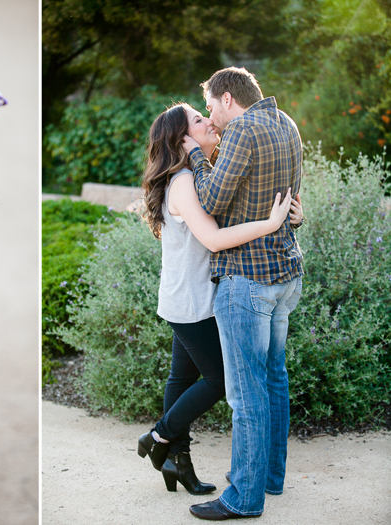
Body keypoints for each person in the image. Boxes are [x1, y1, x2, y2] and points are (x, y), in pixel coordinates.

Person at [136, 102, 303, 497]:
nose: (209, 121)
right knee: (222, 379)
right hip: (190, 301)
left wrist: (291, 216)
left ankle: (178, 462)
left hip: (196, 296)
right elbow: (212, 239)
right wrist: (270, 224)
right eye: (198, 119)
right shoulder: (182, 183)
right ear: (183, 140)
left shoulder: (203, 175)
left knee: (182, 378)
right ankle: (158, 437)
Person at [181, 67, 304, 521]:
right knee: (274, 378)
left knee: (246, 392)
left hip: (246, 277)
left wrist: (195, 156)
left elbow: (210, 201)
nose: (211, 116)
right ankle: (269, 478)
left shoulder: (241, 131)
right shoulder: (285, 123)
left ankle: (243, 498)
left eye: (211, 106)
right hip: (285, 274)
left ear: (228, 98)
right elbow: (293, 204)